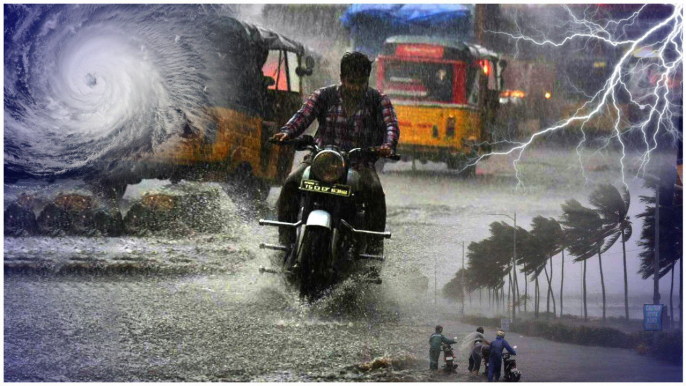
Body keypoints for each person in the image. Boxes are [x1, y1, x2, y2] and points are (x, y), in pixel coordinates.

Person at [272, 51, 400, 258]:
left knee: (375, 192)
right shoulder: (324, 95)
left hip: (359, 164)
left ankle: (374, 254)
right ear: (342, 78)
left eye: (361, 82)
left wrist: (388, 145)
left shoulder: (378, 100)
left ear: (367, 80)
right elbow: (302, 116)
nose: (356, 87)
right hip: (320, 159)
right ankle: (285, 243)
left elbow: (391, 126)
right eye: (351, 82)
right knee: (290, 184)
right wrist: (287, 133)